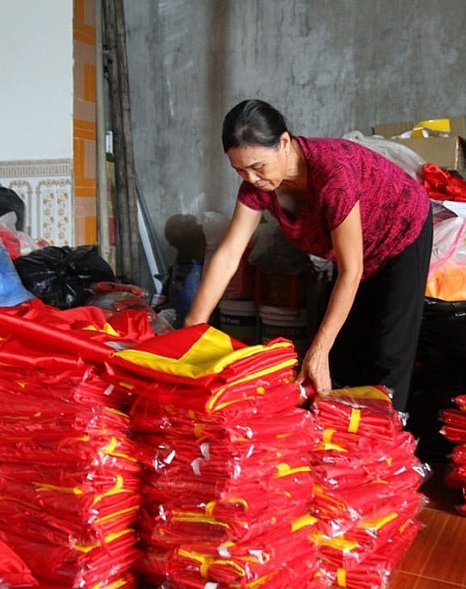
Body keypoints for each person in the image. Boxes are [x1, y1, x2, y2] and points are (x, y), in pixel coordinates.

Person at [184, 99, 433, 411]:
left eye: (258, 167)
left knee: (387, 351)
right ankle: (346, 439)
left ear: (284, 143)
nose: (251, 178)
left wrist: (319, 349)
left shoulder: (333, 174)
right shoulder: (256, 186)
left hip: (400, 233)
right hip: (354, 254)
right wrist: (195, 322)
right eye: (240, 170)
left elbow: (351, 271)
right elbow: (230, 253)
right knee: (345, 354)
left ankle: (389, 444)